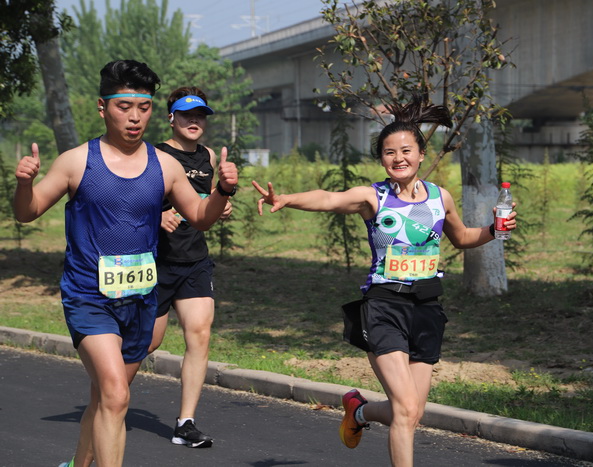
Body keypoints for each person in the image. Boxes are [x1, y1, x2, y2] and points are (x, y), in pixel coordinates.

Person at [252, 96, 517, 467]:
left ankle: (358, 412)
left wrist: (492, 230)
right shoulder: (372, 197)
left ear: (421, 154)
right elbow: (329, 198)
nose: (398, 158)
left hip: (427, 309)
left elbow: (462, 238)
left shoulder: (441, 197)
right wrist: (288, 199)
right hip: (384, 306)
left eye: (406, 150)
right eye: (389, 153)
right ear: (382, 160)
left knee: (410, 412)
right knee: (406, 409)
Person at [13, 59, 238, 467]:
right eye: (123, 106)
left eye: (144, 107)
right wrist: (25, 184)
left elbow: (202, 217)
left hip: (139, 300)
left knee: (105, 399)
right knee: (116, 394)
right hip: (89, 298)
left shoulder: (165, 165)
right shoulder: (76, 162)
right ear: (102, 107)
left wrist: (223, 189)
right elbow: (27, 213)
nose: (135, 117)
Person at [147, 86, 231, 448]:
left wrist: (220, 204)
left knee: (199, 335)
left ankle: (186, 423)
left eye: (200, 116)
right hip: (157, 261)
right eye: (187, 115)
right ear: (172, 118)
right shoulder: (154, 156)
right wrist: (158, 215)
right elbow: (130, 201)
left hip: (195, 259)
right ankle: (109, 395)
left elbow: (205, 206)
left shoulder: (209, 156)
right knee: (147, 343)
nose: (194, 121)